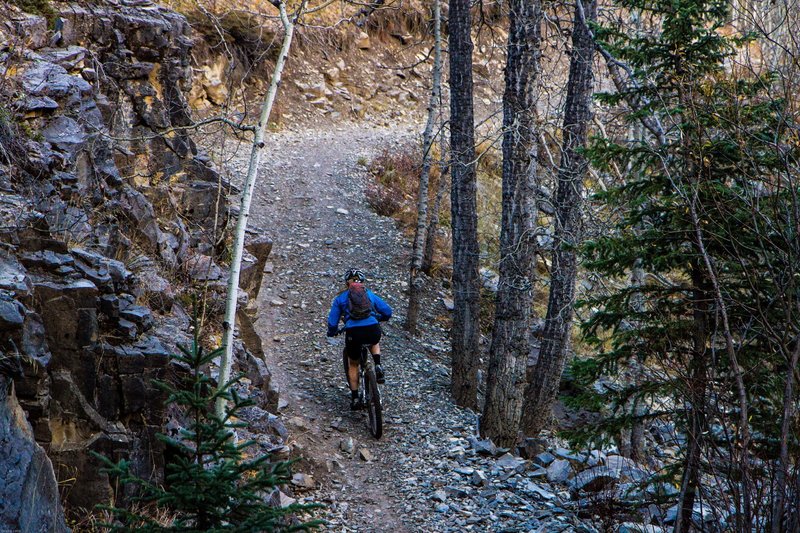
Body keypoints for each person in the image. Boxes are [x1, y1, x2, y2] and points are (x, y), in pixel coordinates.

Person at [327, 268, 392, 410]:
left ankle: (355, 397)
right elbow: (387, 311)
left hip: (353, 333)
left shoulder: (341, 298)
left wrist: (332, 332)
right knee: (374, 341)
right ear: (362, 282)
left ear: (346, 283)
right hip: (372, 329)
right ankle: (378, 364)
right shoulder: (368, 294)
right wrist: (380, 318)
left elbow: (332, 322)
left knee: (353, 364)